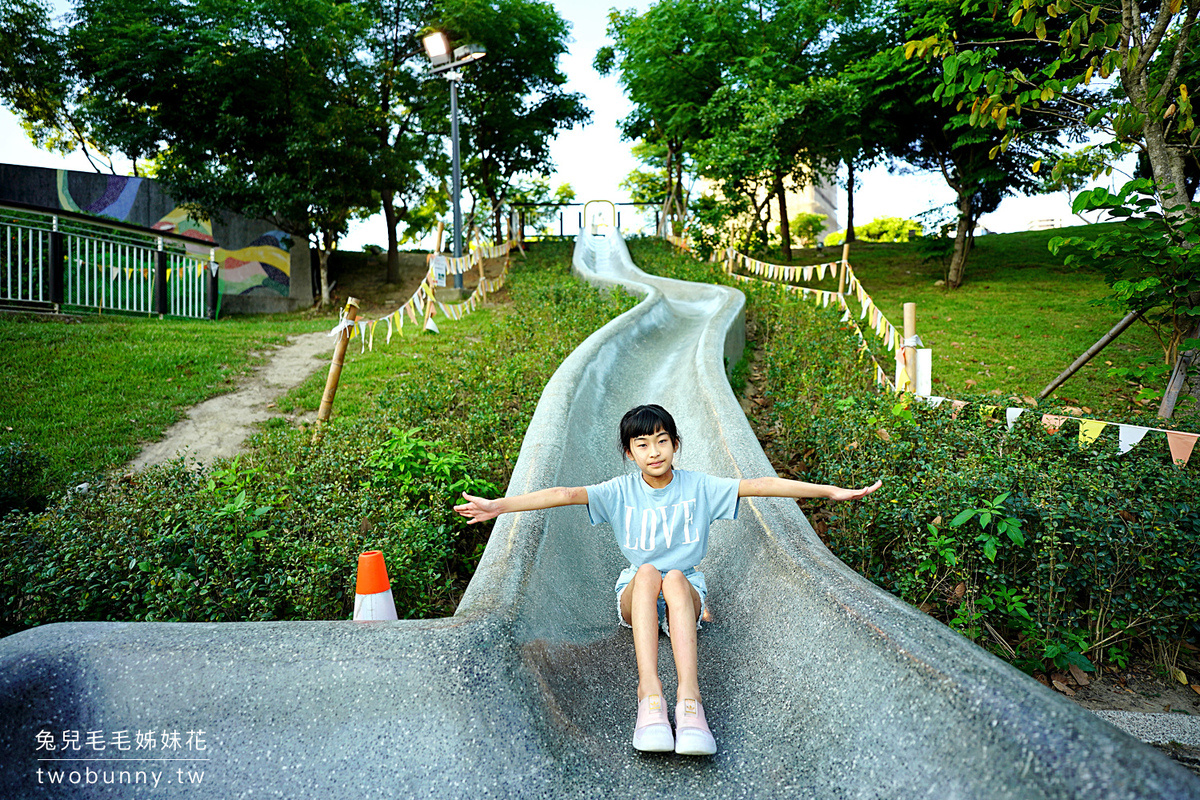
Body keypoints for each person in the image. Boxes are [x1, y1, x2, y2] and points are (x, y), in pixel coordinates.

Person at [454, 404, 881, 756]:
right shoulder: (620, 491)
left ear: (676, 444)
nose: (654, 451)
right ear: (629, 453)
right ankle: (650, 695)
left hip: (685, 591)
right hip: (636, 592)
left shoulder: (699, 487)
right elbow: (565, 494)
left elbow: (761, 484)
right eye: (642, 444)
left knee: (674, 574)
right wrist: (500, 506)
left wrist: (828, 491)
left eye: (662, 441)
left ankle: (690, 702)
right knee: (648, 571)